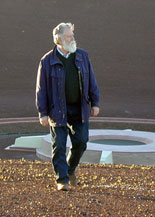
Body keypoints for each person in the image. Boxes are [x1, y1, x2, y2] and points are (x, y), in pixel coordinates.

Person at [36, 22, 100, 191]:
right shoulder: (47, 61)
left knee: (81, 142)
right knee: (58, 146)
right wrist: (42, 113)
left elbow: (91, 80)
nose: (73, 39)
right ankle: (62, 180)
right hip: (57, 110)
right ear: (58, 39)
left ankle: (70, 170)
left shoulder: (82, 56)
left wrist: (95, 102)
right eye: (69, 36)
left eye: (72, 35)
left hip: (80, 109)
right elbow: (41, 89)